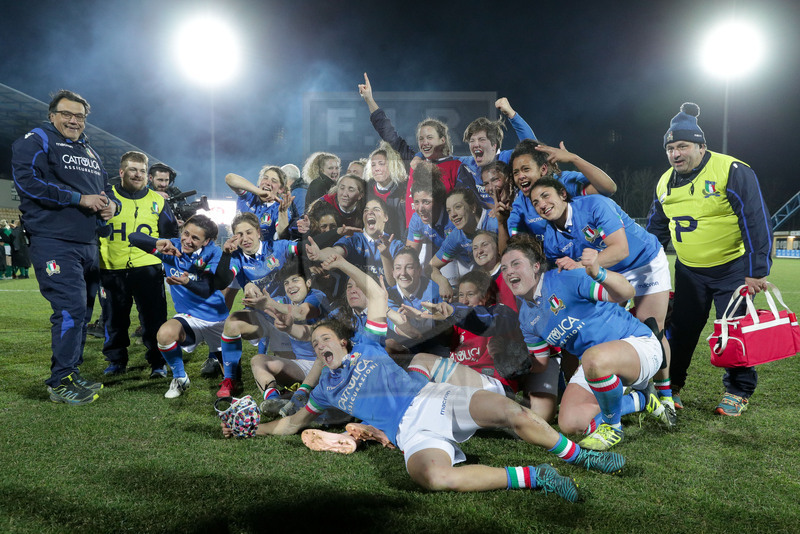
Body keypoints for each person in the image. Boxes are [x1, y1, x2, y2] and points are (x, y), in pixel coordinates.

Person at [222, 252, 625, 501]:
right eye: (316, 344)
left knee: (510, 412)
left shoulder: (367, 344)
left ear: (345, 342)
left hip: (436, 398)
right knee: (433, 477)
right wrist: (250, 430)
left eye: (326, 338)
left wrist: (343, 263)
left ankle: (580, 457)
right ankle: (535, 477)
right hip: (410, 432)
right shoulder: (325, 389)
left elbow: (378, 296)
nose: (320, 346)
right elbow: (291, 423)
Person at [645, 102, 772, 416]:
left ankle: (738, 389)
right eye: (671, 148)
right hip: (689, 271)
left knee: (732, 329)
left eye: (683, 146)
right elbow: (655, 231)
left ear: (701, 147)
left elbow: (755, 220)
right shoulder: (664, 183)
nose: (676, 153)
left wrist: (757, 270)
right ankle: (670, 386)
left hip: (733, 268)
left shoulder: (731, 170)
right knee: (681, 329)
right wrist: (642, 269)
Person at [529, 177, 676, 423]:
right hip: (605, 273)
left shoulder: (595, 204)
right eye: (535, 202)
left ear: (563, 194)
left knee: (651, 327)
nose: (541, 204)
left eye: (545, 195)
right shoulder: (552, 239)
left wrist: (579, 264)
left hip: (643, 262)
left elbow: (621, 250)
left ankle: (666, 395)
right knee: (603, 327)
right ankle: (634, 389)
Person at [11, 89, 116, 404]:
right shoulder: (36, 140)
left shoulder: (89, 152)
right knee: (69, 308)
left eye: (80, 116)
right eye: (67, 114)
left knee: (83, 313)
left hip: (87, 244)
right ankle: (59, 382)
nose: (74, 120)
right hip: (54, 241)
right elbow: (27, 181)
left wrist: (110, 205)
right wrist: (78, 198)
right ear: (52, 115)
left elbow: (105, 189)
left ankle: (72, 372)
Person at [128, 214, 231, 398]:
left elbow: (207, 289)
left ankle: (218, 359)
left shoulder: (214, 253)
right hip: (188, 318)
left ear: (206, 241)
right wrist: (157, 243)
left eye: (195, 238)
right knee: (164, 334)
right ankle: (179, 378)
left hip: (215, 320)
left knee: (232, 382)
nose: (187, 241)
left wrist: (186, 283)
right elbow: (134, 238)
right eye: (186, 234)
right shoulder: (172, 246)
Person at [98, 151, 178, 378]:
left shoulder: (157, 200)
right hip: (112, 267)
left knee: (154, 320)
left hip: (148, 268)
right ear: (122, 172)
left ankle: (157, 363)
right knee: (114, 320)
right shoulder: (107, 196)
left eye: (142, 171)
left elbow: (169, 233)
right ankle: (116, 361)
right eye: (133, 170)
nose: (138, 175)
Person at [507, 139, 617, 239]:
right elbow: (515, 245)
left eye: (526, 169)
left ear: (543, 169)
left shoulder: (564, 182)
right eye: (516, 172)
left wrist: (574, 158)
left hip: (596, 249)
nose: (520, 176)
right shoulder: (520, 205)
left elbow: (608, 188)